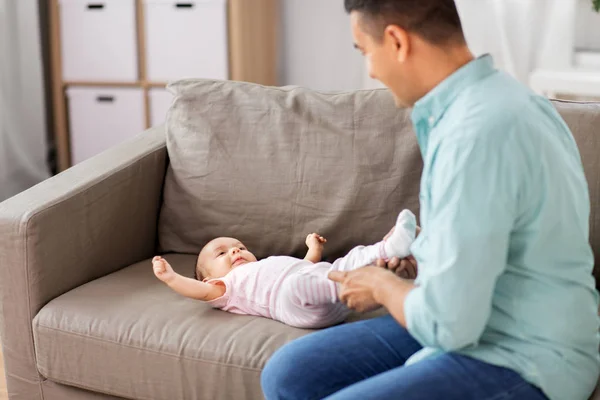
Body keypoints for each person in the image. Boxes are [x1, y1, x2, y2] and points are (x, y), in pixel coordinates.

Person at [260, 1, 600, 399]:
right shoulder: (492, 102)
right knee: (289, 374)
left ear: (396, 41)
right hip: (484, 316)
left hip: (525, 350)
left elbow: (450, 324)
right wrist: (428, 259)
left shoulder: (474, 135)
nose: (370, 70)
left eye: (364, 50)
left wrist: (384, 288)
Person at [152, 210, 416, 329]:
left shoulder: (268, 264)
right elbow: (197, 290)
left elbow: (306, 265)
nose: (235, 251)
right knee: (302, 283)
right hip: (294, 305)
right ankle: (371, 276)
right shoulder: (226, 286)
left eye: (239, 247)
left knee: (345, 262)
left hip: (326, 292)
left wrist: (313, 247)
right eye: (222, 253)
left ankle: (387, 251)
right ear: (211, 277)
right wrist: (171, 278)